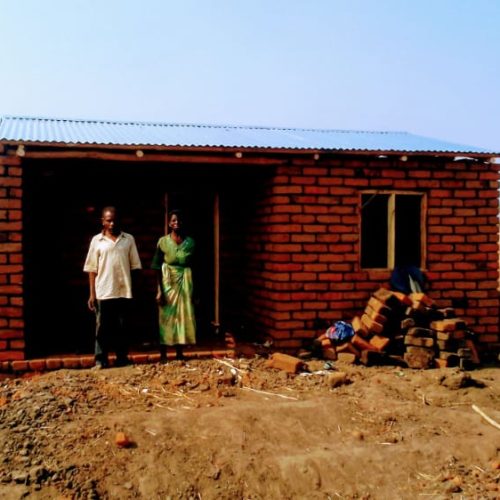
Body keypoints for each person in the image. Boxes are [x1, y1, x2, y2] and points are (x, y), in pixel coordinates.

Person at [83, 206, 142, 368]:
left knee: (122, 327)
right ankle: (100, 359)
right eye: (109, 221)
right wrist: (92, 294)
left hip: (123, 290)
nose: (112, 224)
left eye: (115, 220)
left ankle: (121, 358)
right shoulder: (97, 241)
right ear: (103, 221)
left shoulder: (128, 239)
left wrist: (134, 289)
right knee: (102, 328)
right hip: (103, 291)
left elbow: (135, 266)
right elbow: (91, 269)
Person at [151, 209, 196, 362]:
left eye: (179, 220)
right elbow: (156, 266)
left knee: (182, 316)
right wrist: (159, 290)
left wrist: (194, 290)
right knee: (166, 317)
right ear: (169, 223)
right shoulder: (163, 242)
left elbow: (196, 265)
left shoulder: (190, 243)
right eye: (174, 220)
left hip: (185, 283)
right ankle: (163, 354)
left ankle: (179, 352)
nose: (177, 223)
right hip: (167, 283)